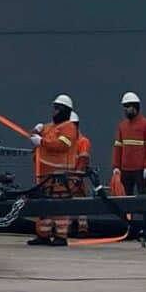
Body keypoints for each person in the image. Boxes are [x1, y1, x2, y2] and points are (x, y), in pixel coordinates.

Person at [28, 95, 88, 246]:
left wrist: (41, 141)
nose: (54, 111)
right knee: (43, 206)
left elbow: (62, 145)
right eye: (54, 108)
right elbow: (36, 137)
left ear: (65, 111)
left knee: (59, 207)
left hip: (59, 175)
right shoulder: (50, 127)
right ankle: (43, 234)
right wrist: (37, 131)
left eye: (58, 108)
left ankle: (61, 236)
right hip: (45, 175)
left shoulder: (69, 128)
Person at [112, 92, 146, 195]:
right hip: (125, 170)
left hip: (141, 170)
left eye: (127, 107)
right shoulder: (122, 126)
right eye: (124, 107)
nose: (125, 109)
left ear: (135, 106)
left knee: (143, 198)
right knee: (126, 198)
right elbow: (118, 148)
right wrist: (116, 166)